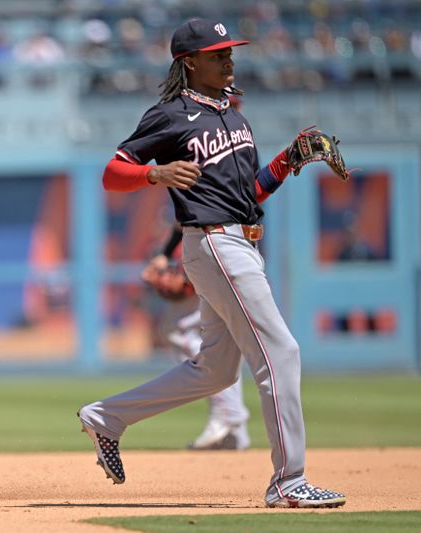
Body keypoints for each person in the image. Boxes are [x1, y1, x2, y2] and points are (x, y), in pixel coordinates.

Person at [77, 19, 346, 509]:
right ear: (189, 62)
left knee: (216, 372)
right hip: (215, 243)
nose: (228, 59)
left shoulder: (235, 117)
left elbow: (250, 194)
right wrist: (154, 172)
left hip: (240, 240)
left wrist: (289, 159)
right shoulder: (170, 115)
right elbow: (113, 174)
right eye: (217, 53)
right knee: (280, 351)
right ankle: (289, 480)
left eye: (229, 52)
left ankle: (105, 418)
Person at [141, 223, 250, 450]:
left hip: (222, 256)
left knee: (184, 332)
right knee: (214, 341)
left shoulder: (210, 194)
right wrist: (165, 254)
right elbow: (182, 222)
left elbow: (213, 222)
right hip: (216, 257)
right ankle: (234, 430)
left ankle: (229, 414)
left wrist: (184, 274)